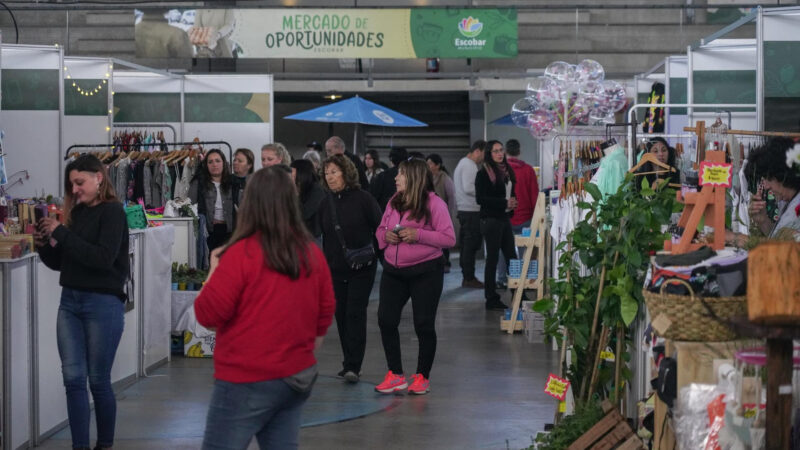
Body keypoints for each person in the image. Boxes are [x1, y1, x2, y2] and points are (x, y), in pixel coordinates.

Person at [195, 167, 335, 450]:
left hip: (244, 380)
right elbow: (325, 310)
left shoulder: (239, 254)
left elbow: (208, 314)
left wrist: (213, 270)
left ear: (250, 203)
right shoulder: (310, 252)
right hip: (295, 378)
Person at [35, 154, 129, 450]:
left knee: (98, 380)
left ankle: (104, 444)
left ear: (99, 177)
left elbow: (102, 259)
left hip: (103, 303)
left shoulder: (113, 212)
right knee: (73, 380)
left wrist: (61, 232)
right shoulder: (76, 213)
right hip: (70, 303)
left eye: (80, 182)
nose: (74, 189)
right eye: (71, 184)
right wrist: (44, 248)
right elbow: (66, 262)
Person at [374, 159, 455, 395]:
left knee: (423, 324)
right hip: (393, 270)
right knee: (386, 320)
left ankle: (422, 376)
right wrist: (386, 236)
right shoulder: (393, 201)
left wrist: (418, 235)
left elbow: (449, 238)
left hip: (426, 271)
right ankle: (395, 374)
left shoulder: (434, 203)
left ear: (414, 177)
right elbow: (380, 229)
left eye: (400, 174)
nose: (396, 178)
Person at [318, 154, 382, 383]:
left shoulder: (364, 199)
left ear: (346, 173)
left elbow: (380, 227)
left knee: (355, 313)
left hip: (362, 267)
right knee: (341, 316)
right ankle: (348, 362)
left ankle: (354, 365)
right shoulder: (326, 202)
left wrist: (383, 257)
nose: (330, 177)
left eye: (334, 172)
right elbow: (321, 235)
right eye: (327, 173)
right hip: (335, 268)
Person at [476, 140, 518, 310]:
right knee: (492, 260)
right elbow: (481, 199)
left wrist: (513, 202)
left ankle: (518, 292)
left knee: (512, 257)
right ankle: (491, 298)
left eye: (501, 150)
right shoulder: (484, 173)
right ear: (489, 154)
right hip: (491, 220)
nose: (500, 153)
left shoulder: (507, 171)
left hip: (504, 218)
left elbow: (510, 192)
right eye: (496, 151)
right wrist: (504, 202)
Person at [496, 139, 539, 288]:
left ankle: (501, 279)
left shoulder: (498, 170)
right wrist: (536, 216)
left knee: (502, 249)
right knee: (524, 249)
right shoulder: (528, 170)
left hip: (504, 216)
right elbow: (534, 195)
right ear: (519, 151)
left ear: (505, 152)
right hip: (525, 217)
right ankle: (523, 280)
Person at [743, 138, 800, 239]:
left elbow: (783, 246)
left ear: (781, 175)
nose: (766, 186)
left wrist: (736, 238)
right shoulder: (787, 202)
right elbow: (777, 238)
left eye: (767, 179)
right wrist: (763, 220)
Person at [454, 140, 487, 289]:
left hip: (466, 210)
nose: (484, 158)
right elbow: (468, 188)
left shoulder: (464, 163)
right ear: (478, 151)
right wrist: (485, 192)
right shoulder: (469, 165)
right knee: (470, 246)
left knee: (468, 245)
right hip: (470, 211)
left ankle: (468, 276)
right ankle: (469, 277)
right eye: (484, 154)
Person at [190, 149, 235, 252]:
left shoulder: (232, 183)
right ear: (206, 165)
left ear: (224, 163)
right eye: (210, 162)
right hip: (208, 232)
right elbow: (190, 207)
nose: (214, 164)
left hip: (230, 232)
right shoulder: (198, 183)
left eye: (218, 161)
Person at [426, 153, 457, 273]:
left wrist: (448, 213)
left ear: (438, 165)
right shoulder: (426, 177)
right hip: (429, 214)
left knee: (443, 240)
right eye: (427, 163)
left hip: (441, 213)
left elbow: (451, 197)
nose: (428, 166)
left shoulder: (445, 178)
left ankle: (446, 263)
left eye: (430, 163)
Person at [291, 159, 326, 242]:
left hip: (313, 238)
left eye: (292, 172)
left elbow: (304, 214)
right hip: (297, 236)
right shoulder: (297, 188)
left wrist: (295, 193)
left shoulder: (317, 190)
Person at [370, 146, 408, 211]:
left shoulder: (382, 176)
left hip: (384, 213)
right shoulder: (410, 176)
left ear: (391, 159)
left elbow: (374, 198)